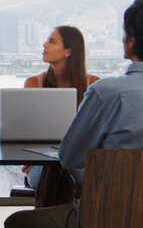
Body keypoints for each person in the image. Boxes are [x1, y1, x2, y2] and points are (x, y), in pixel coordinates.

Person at [4, 0, 143, 228]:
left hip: (101, 215)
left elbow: (69, 156)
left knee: (17, 222)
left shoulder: (105, 91)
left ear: (130, 43)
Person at [22, 26, 99, 192]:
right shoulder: (33, 84)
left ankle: (56, 216)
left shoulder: (93, 85)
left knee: (68, 169)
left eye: (52, 41)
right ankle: (67, 216)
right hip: (41, 162)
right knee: (54, 171)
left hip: (80, 162)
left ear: (68, 51)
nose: (44, 45)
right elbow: (26, 130)